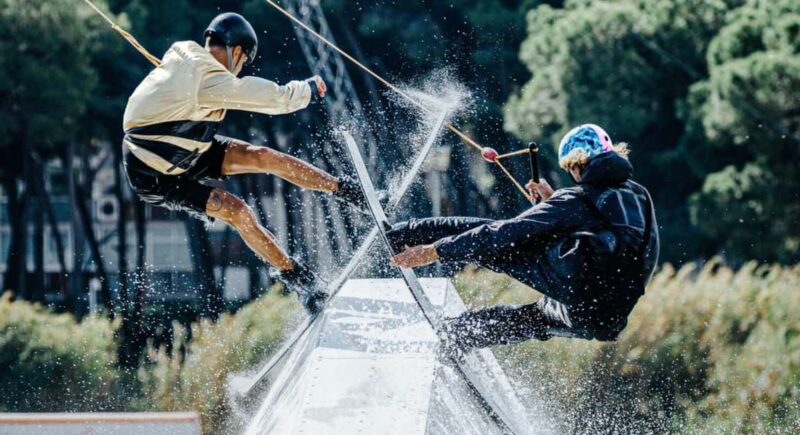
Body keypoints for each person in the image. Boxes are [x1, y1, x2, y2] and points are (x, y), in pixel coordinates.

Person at [122, 13, 371, 314]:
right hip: (154, 173)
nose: (238, 72)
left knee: (263, 156)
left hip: (187, 142)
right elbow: (277, 100)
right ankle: (298, 279)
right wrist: (309, 88)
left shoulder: (185, 54)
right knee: (238, 211)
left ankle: (350, 192)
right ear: (236, 51)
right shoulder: (210, 77)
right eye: (242, 64)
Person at [389, 124, 660, 354]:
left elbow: (501, 235)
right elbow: (614, 236)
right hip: (605, 318)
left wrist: (436, 251)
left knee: (490, 236)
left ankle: (402, 233)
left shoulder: (574, 200)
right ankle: (457, 336)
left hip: (578, 292)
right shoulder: (639, 195)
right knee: (534, 319)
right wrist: (553, 201)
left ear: (577, 165)